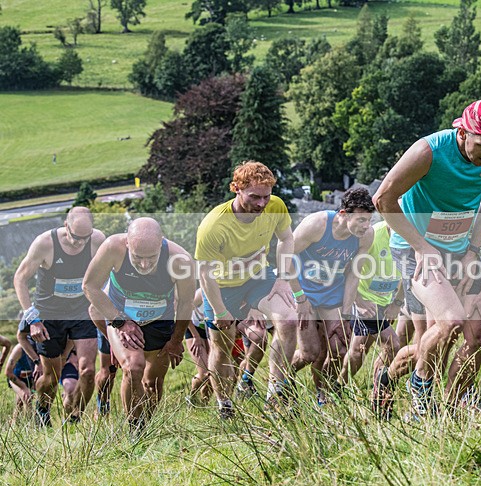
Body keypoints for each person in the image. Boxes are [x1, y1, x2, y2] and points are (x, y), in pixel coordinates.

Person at [374, 100, 481, 419]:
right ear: (461, 132)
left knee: (468, 334)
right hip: (414, 249)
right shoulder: (428, 152)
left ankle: (433, 405)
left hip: (459, 248)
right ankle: (421, 388)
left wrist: (474, 249)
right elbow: (382, 199)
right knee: (451, 322)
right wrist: (422, 247)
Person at [195, 161, 298, 419]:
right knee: (222, 348)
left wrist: (283, 278)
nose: (262, 204)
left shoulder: (275, 206)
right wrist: (219, 310)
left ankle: (275, 394)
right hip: (222, 287)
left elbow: (286, 238)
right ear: (236, 189)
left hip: (257, 278)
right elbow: (204, 272)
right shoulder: (213, 225)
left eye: (266, 196)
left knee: (288, 320)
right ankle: (225, 405)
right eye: (254, 197)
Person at [83, 217, 194, 432]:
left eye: (151, 258)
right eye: (137, 257)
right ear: (127, 244)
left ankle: (147, 427)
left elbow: (186, 302)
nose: (144, 264)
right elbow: (90, 286)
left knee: (152, 382)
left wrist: (176, 340)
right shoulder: (112, 247)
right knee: (133, 367)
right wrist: (120, 322)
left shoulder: (180, 259)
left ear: (161, 243)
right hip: (121, 317)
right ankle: (134, 429)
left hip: (159, 320)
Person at [13, 207, 105, 426]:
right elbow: (20, 278)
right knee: (51, 376)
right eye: (75, 237)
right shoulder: (45, 243)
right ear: (66, 225)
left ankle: (75, 418)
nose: (79, 243)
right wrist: (32, 318)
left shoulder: (98, 240)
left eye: (85, 238)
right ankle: (42, 410)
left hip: (82, 312)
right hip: (49, 315)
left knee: (88, 371)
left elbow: (110, 271)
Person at [289, 187, 374, 405]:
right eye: (361, 220)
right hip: (304, 292)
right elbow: (285, 257)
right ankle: (283, 380)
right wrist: (299, 297)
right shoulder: (317, 224)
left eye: (369, 220)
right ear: (344, 214)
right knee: (310, 353)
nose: (366, 226)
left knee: (338, 348)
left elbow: (354, 275)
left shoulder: (365, 236)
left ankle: (323, 394)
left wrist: (346, 314)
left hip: (332, 295)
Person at [336, 219, 404, 417]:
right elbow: (349, 268)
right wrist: (358, 300)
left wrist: (396, 304)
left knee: (359, 350)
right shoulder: (373, 234)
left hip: (384, 302)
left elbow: (409, 272)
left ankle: (340, 387)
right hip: (366, 301)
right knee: (393, 344)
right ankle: (379, 392)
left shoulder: (411, 234)